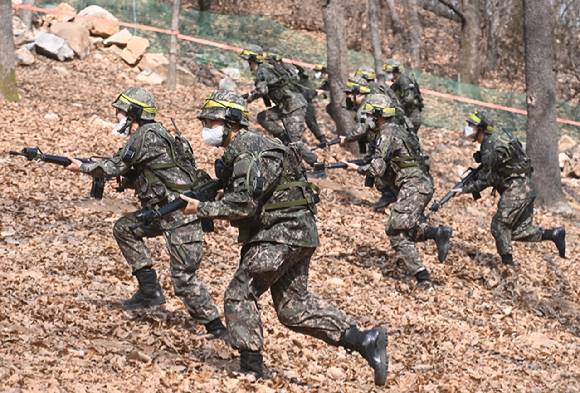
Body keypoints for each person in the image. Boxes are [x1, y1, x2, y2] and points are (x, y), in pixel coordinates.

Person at [180, 89, 388, 386]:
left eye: (212, 121)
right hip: (297, 232)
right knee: (294, 308)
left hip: (280, 233)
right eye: (206, 121)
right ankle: (365, 340)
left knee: (239, 295)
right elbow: (256, 190)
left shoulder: (248, 147)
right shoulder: (256, 145)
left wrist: (201, 208)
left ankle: (251, 370)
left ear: (233, 122)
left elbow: (244, 204)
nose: (206, 128)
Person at [63, 86, 227, 338]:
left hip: (181, 213)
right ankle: (149, 289)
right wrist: (128, 182)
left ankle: (216, 328)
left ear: (133, 113)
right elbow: (156, 171)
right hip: (162, 212)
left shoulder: (146, 135)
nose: (116, 117)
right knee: (124, 228)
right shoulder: (150, 134)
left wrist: (82, 167)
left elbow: (115, 165)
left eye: (119, 112)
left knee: (183, 277)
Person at [342, 94, 453, 290]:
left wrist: (356, 168)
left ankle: (424, 279)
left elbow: (376, 169)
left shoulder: (387, 134)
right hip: (418, 185)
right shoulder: (396, 129)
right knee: (401, 228)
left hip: (414, 187)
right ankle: (436, 234)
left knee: (395, 230)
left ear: (378, 115)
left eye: (369, 114)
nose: (366, 118)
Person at [452, 110, 566, 266]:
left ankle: (508, 267)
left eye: (471, 125)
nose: (468, 128)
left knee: (499, 225)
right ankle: (554, 234)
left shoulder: (490, 146)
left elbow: (488, 179)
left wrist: (464, 190)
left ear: (482, 128)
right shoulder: (496, 140)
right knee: (517, 231)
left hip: (518, 189)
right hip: (526, 187)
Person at [240, 44, 326, 179]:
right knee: (263, 117)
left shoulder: (263, 71)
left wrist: (248, 97)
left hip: (294, 106)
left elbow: (262, 90)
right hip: (284, 105)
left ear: (252, 59)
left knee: (296, 143)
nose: (244, 63)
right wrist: (249, 97)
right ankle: (283, 139)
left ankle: (318, 166)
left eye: (246, 60)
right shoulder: (263, 70)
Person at [340, 75, 399, 209]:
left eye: (349, 94)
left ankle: (390, 194)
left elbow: (361, 129)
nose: (348, 98)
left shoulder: (369, 106)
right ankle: (389, 194)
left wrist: (346, 139)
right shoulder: (373, 103)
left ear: (358, 93)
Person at [265, 48, 328, 145]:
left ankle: (322, 140)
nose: (268, 62)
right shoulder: (273, 70)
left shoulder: (287, 68)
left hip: (301, 96)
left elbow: (298, 83)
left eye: (270, 60)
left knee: (310, 119)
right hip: (290, 99)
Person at [383, 59, 423, 134]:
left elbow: (409, 99)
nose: (387, 74)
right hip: (407, 116)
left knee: (408, 141)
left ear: (395, 71)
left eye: (389, 72)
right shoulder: (396, 83)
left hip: (412, 117)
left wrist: (397, 106)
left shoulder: (404, 81)